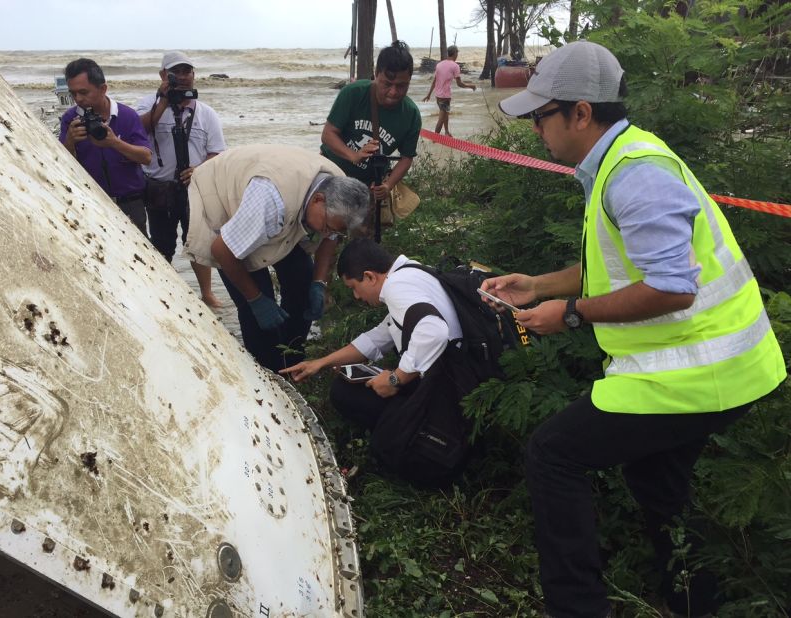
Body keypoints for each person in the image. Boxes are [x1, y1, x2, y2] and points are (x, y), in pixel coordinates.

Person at [482, 41, 786, 618]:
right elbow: (627, 265)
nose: (535, 131)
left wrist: (570, 315)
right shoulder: (622, 158)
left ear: (580, 112)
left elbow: (672, 286)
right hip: (723, 368)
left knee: (553, 455)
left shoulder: (635, 174)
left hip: (699, 373)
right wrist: (543, 285)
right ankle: (693, 599)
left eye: (542, 116)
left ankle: (578, 608)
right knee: (658, 481)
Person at [280, 239, 469, 486]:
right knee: (347, 386)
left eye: (354, 287)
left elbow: (434, 331)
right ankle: (398, 433)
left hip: (449, 394)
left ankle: (405, 444)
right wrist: (320, 362)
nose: (356, 296)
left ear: (370, 277)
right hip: (450, 380)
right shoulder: (411, 273)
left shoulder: (397, 288)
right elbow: (378, 338)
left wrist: (395, 379)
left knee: (346, 395)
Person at [183, 145, 370, 373]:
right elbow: (222, 251)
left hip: (286, 206)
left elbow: (331, 235)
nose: (325, 232)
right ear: (318, 200)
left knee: (303, 284)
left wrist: (319, 282)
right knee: (258, 312)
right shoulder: (270, 202)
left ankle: (292, 360)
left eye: (335, 230)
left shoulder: (339, 187)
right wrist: (257, 300)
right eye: (327, 226)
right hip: (221, 192)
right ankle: (266, 374)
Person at [136, 51, 226, 308]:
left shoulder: (206, 113)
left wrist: (199, 169)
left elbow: (217, 153)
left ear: (194, 76)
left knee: (198, 242)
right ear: (163, 76)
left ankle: (206, 293)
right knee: (161, 244)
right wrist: (163, 101)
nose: (183, 78)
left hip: (194, 189)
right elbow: (138, 130)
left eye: (188, 72)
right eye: (176, 73)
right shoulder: (147, 105)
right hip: (159, 188)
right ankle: (160, 292)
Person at [320, 41, 422, 204]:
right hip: (330, 173)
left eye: (402, 86)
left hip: (367, 187)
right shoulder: (353, 94)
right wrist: (353, 155)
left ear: (410, 79)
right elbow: (328, 134)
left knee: (362, 228)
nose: (393, 92)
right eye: (387, 84)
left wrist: (388, 185)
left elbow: (406, 158)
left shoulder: (411, 115)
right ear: (376, 74)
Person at [59, 58, 151, 235]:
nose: (78, 99)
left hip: (130, 203)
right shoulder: (70, 120)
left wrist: (114, 143)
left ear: (103, 88)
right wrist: (69, 141)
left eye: (84, 92)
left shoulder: (127, 116)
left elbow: (146, 157)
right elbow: (62, 165)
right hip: (90, 202)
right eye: (73, 94)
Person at [423, 45, 477, 136]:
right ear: (455, 53)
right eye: (457, 53)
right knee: (441, 118)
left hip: (438, 96)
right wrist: (471, 86)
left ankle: (447, 132)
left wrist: (429, 95)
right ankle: (435, 138)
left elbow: (434, 81)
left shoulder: (439, 64)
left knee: (445, 114)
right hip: (445, 97)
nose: (457, 55)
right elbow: (459, 84)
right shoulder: (455, 66)